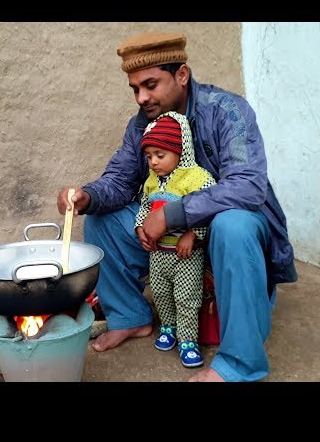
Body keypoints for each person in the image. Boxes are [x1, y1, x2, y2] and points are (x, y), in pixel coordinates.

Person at [57, 32, 298, 382]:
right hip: (172, 248)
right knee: (101, 220)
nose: (142, 97)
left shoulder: (228, 111)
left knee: (234, 225)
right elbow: (120, 180)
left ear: (181, 75)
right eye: (135, 89)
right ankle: (130, 317)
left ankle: (240, 364)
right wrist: (86, 196)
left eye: (150, 85)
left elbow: (248, 186)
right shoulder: (142, 124)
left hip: (228, 244)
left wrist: (172, 214)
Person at [135, 110, 216, 368]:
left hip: (185, 257)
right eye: (149, 156)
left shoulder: (196, 179)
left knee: (186, 297)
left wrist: (193, 234)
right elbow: (145, 208)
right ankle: (168, 327)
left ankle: (188, 340)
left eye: (161, 155)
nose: (154, 162)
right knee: (160, 292)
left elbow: (208, 208)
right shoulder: (151, 182)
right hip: (158, 254)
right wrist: (140, 229)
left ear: (180, 152)